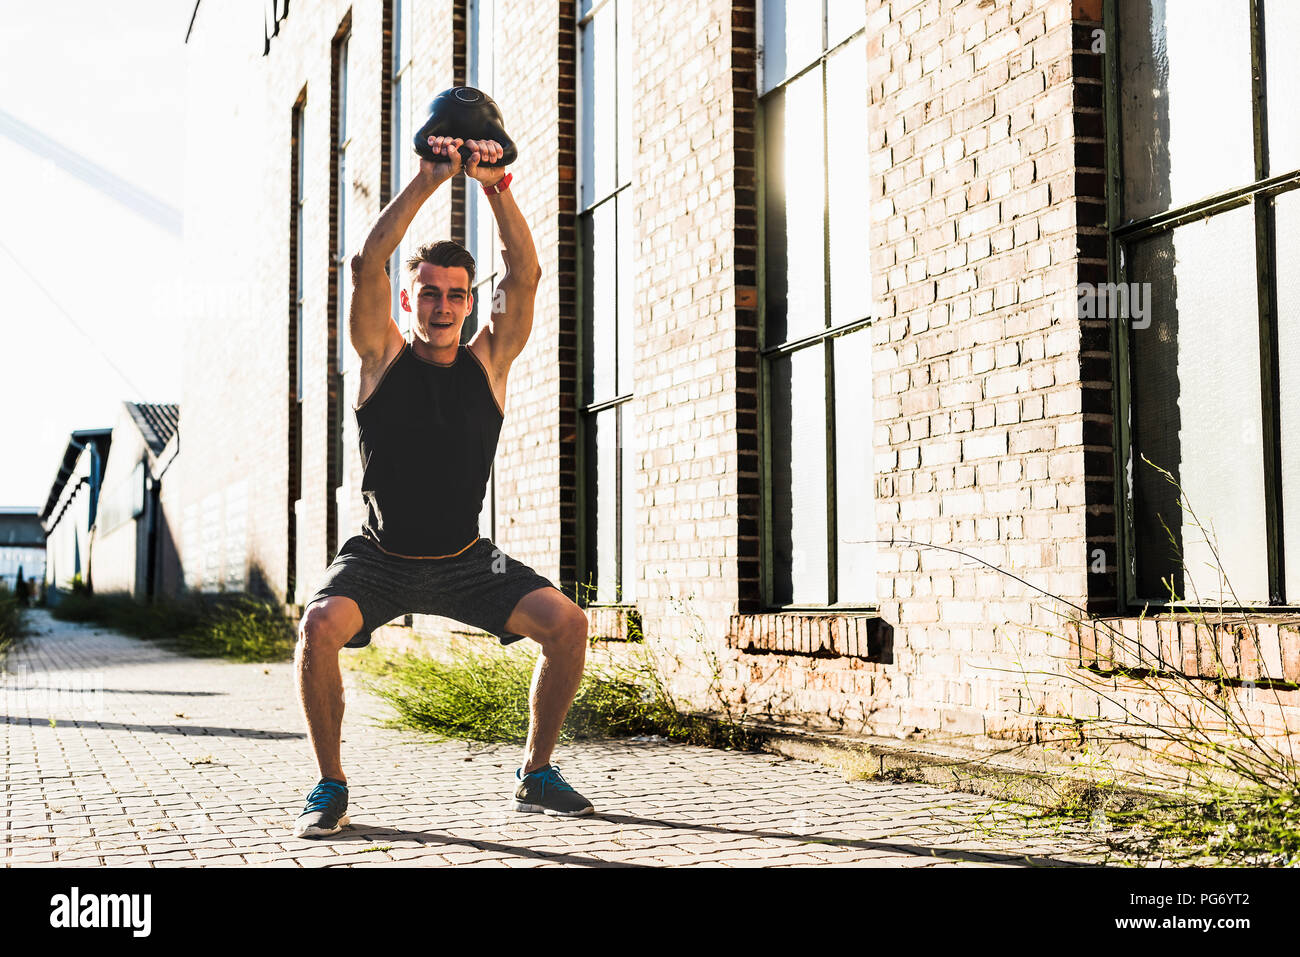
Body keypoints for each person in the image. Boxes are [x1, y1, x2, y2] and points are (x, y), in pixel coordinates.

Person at [292, 133, 593, 838]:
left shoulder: (487, 363)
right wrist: (430, 177)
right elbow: (367, 262)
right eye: (430, 293)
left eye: (457, 294)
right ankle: (330, 784)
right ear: (411, 296)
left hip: (467, 557)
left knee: (569, 625)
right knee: (317, 627)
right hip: (379, 556)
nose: (443, 305)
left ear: (468, 302)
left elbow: (526, 277)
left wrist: (496, 187)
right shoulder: (381, 357)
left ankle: (535, 772)